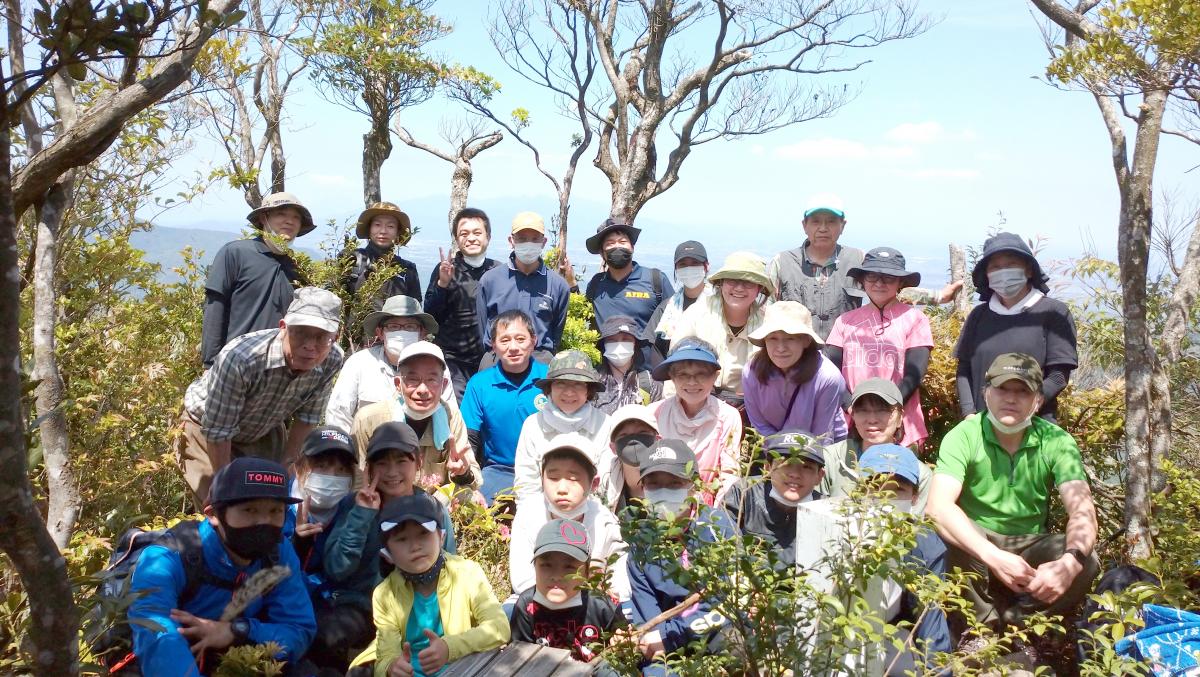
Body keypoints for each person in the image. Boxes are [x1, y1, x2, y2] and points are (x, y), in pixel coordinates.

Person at [926, 354, 1099, 642]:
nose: (1011, 399)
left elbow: (1082, 512)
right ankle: (979, 629)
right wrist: (993, 556)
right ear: (986, 394)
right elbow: (937, 507)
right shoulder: (965, 435)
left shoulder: (1056, 441)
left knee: (1086, 559)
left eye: (1023, 391)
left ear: (1038, 401)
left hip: (1030, 542)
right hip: (978, 543)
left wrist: (1069, 562)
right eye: (1003, 389)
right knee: (943, 533)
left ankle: (1022, 626)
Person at [127, 457, 317, 676]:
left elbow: (299, 630)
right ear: (213, 514)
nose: (263, 522)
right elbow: (157, 634)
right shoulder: (166, 558)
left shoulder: (278, 553)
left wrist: (237, 631)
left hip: (238, 654)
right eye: (250, 510)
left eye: (275, 511)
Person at [178, 287, 344, 509]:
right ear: (283, 328)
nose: (310, 346)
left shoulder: (332, 358)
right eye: (301, 332)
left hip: (265, 427)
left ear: (336, 337)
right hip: (206, 429)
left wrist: (288, 465)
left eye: (322, 337)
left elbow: (307, 418)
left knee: (271, 503)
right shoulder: (242, 358)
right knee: (226, 508)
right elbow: (218, 431)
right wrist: (226, 484)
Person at [322, 422, 458, 645]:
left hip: (415, 610)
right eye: (382, 463)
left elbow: (450, 569)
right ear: (370, 468)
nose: (392, 472)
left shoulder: (433, 510)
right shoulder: (354, 505)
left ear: (419, 463)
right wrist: (362, 515)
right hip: (360, 607)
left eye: (402, 461)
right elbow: (337, 569)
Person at [347, 492, 509, 676]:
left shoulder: (467, 573)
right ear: (387, 554)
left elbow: (499, 627)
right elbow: (387, 654)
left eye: (424, 533)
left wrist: (449, 648)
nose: (415, 546)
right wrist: (391, 667)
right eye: (402, 539)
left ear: (441, 537)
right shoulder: (384, 594)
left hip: (462, 671)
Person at [768, 194, 960, 339]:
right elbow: (763, 311)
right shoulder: (783, 263)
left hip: (844, 358)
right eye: (816, 221)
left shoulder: (858, 259)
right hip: (793, 361)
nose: (823, 228)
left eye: (831, 221)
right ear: (804, 225)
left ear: (842, 225)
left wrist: (938, 297)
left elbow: (892, 289)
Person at [626, 439, 738, 676]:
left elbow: (728, 605)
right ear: (643, 487)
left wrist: (670, 637)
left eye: (675, 483)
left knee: (736, 646)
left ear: (694, 485)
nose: (663, 491)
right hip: (664, 639)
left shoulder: (718, 528)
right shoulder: (640, 545)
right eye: (653, 484)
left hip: (717, 632)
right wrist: (660, 641)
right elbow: (649, 615)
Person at [955, 232, 1078, 422]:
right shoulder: (978, 316)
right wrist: (969, 413)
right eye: (995, 267)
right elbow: (964, 369)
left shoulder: (1054, 313)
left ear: (1029, 270)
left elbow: (1059, 375)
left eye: (1011, 265)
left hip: (1035, 426)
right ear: (987, 275)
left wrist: (1030, 404)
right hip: (982, 426)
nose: (1003, 272)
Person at [856, 444, 953, 674]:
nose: (886, 498)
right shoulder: (837, 533)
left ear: (914, 497)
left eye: (897, 489)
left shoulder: (925, 546)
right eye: (876, 487)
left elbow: (931, 623)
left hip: (892, 636)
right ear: (860, 492)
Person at [826, 247, 934, 448]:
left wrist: (891, 410)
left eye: (888, 278)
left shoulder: (915, 320)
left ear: (900, 282)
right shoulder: (845, 322)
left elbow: (915, 373)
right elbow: (831, 372)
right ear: (862, 280)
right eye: (872, 276)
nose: (879, 283)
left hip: (900, 422)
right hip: (852, 422)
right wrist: (851, 406)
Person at [350, 341, 481, 497]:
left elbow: (473, 478)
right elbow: (357, 481)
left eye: (431, 380)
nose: (422, 390)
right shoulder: (369, 419)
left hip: (434, 508)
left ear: (444, 385)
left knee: (470, 497)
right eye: (413, 380)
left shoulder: (450, 417)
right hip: (383, 504)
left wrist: (462, 473)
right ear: (398, 384)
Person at [288, 427, 371, 672]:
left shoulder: (351, 508)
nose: (331, 476)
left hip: (335, 603)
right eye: (322, 466)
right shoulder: (278, 505)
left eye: (341, 470)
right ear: (301, 467)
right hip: (288, 602)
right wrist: (297, 545)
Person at [200, 192, 314, 367]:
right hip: (236, 363)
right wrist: (211, 363)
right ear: (263, 218)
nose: (289, 221)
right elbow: (215, 308)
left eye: (296, 217)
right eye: (281, 214)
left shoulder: (297, 268)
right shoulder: (236, 253)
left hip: (280, 367)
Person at [510, 441, 630, 602]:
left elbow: (621, 584)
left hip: (591, 604)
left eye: (573, 479)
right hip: (539, 601)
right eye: (553, 478)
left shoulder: (605, 521)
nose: (562, 488)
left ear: (593, 484)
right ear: (542, 478)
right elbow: (522, 581)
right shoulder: (528, 514)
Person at [324, 295, 453, 432]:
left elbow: (449, 413)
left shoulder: (437, 367)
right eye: (393, 327)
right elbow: (337, 416)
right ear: (380, 332)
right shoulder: (358, 363)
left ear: (422, 332)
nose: (402, 332)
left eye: (410, 327)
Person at [460, 310, 550, 505]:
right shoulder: (479, 384)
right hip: (497, 470)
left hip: (546, 470)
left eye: (520, 339)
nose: (513, 347)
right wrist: (468, 484)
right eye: (505, 340)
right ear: (493, 345)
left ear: (533, 340)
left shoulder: (551, 379)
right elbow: (469, 440)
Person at [510, 519, 627, 662]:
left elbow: (628, 655)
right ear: (534, 566)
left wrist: (624, 646)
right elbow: (518, 661)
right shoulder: (526, 606)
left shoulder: (602, 606)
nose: (557, 576)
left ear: (586, 570)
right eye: (546, 565)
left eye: (569, 567)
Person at [669, 251, 773, 409]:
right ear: (721, 283)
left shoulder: (769, 323)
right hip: (697, 403)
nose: (739, 288)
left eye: (748, 282)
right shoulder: (697, 314)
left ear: (759, 289)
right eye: (732, 281)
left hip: (752, 407)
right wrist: (673, 409)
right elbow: (675, 364)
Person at [513, 349, 615, 501]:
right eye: (561, 384)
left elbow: (606, 482)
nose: (569, 392)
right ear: (550, 388)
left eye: (578, 384)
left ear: (589, 390)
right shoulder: (533, 424)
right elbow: (526, 484)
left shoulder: (605, 424)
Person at [649, 338, 742, 505]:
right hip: (659, 507)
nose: (692, 382)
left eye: (701, 374)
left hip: (707, 511)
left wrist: (718, 518)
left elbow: (729, 474)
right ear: (672, 376)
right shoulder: (654, 413)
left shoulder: (728, 416)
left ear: (715, 376)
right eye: (683, 374)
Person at [820, 379, 934, 513]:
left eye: (883, 410)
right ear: (853, 415)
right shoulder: (830, 459)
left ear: (900, 417)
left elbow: (913, 527)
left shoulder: (919, 473)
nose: (872, 419)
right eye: (863, 411)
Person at [424, 207, 501, 399]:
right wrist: (442, 284)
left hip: (492, 361)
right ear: (457, 239)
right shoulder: (447, 270)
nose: (471, 238)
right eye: (464, 234)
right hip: (453, 363)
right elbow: (431, 317)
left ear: (488, 237)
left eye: (477, 233)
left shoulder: (500, 272)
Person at [743, 301, 847, 439]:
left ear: (806, 341)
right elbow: (760, 426)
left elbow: (822, 436)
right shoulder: (751, 372)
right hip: (771, 449)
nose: (780, 348)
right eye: (773, 338)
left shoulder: (828, 378)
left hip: (818, 451)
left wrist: (795, 458)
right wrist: (778, 454)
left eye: (790, 338)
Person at [475, 211, 570, 362]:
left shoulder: (558, 285)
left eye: (534, 239)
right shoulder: (489, 281)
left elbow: (556, 334)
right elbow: (482, 327)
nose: (528, 244)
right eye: (522, 238)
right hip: (497, 359)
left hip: (540, 362)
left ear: (543, 242)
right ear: (511, 240)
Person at [722, 431, 827, 567]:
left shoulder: (826, 511)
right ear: (767, 467)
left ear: (820, 475)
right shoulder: (744, 492)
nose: (795, 474)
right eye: (786, 463)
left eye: (806, 467)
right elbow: (722, 542)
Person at [583, 218, 673, 351]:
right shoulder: (596, 284)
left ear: (632, 247)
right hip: (605, 368)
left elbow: (675, 320)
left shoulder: (655, 280)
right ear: (602, 253)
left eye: (623, 242)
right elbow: (584, 317)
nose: (617, 246)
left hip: (648, 368)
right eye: (610, 243)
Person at [644, 240, 715, 363]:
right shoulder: (667, 307)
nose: (689, 268)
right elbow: (655, 348)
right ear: (676, 269)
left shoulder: (719, 303)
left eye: (695, 263)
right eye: (683, 264)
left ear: (706, 266)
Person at [342, 201, 422, 306]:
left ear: (398, 232)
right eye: (377, 225)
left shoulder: (407, 269)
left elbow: (415, 311)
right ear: (369, 229)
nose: (383, 231)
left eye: (390, 226)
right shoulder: (351, 259)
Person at [594, 315, 662, 416]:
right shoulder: (592, 382)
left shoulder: (651, 385)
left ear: (635, 344)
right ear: (604, 345)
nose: (619, 345)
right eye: (612, 340)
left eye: (626, 339)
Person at [607, 404, 661, 506]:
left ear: (658, 440)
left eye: (642, 433)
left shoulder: (675, 478)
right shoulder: (605, 483)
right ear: (613, 448)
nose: (633, 439)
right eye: (624, 435)